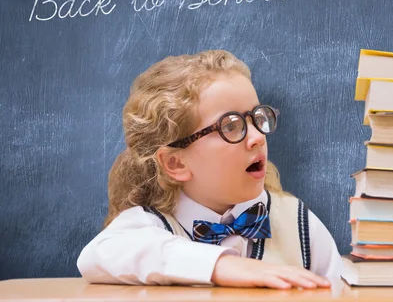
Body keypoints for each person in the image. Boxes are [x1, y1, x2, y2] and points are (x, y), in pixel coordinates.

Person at [77, 50, 342, 289]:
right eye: (230, 126)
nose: (258, 137)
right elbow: (98, 254)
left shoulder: (298, 223)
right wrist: (219, 265)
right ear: (176, 163)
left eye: (257, 118)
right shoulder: (149, 226)